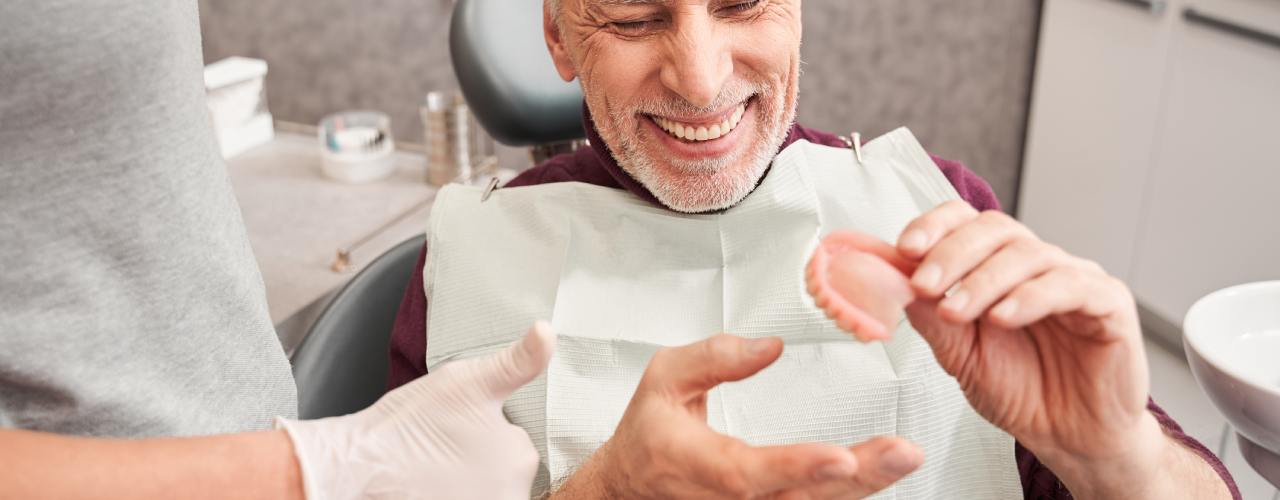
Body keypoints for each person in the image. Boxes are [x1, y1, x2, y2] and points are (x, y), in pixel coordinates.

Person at [386, 0, 1242, 498]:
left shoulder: (939, 216)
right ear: (559, 34)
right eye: (637, 16)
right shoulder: (471, 263)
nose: (703, 78)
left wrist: (1118, 454)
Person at [0, 1, 555, 498]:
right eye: (629, 21)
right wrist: (319, 468)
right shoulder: (468, 247)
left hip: (240, 437)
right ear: (558, 38)